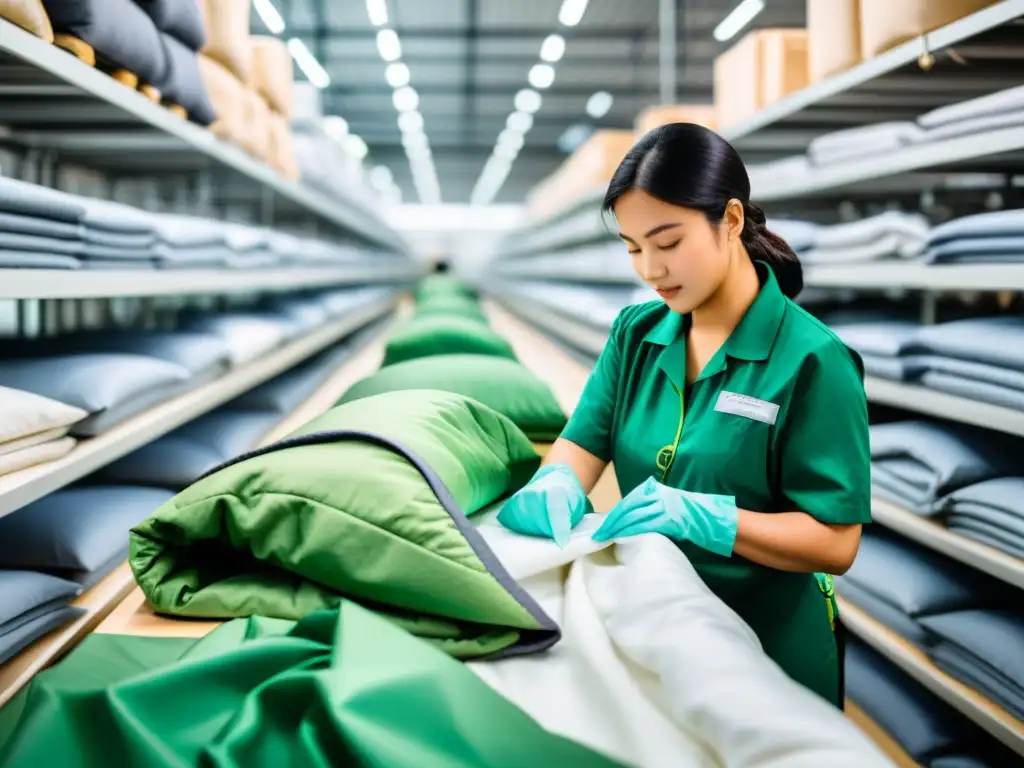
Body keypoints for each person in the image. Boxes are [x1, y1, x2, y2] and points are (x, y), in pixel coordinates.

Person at [497, 122, 870, 708]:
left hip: (765, 651)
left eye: (667, 243)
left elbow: (835, 541)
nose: (649, 269)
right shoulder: (636, 334)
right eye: (633, 248)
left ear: (731, 220)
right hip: (655, 627)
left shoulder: (813, 360)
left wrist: (707, 518)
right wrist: (557, 480)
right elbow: (582, 442)